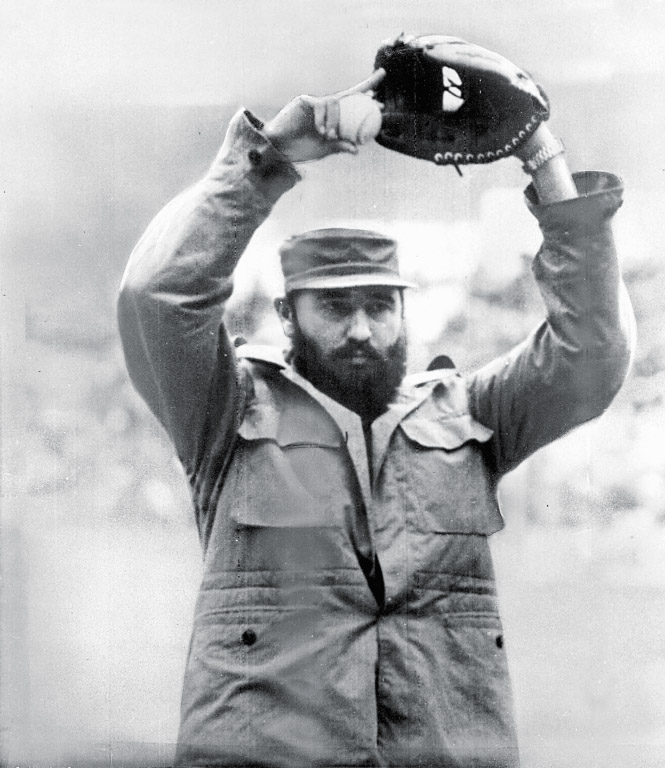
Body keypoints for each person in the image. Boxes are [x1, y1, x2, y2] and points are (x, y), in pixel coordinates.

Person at [118, 65, 633, 768]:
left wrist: (543, 159)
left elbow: (593, 354)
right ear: (285, 315)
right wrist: (268, 156)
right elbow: (157, 296)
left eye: (378, 306)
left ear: (402, 312)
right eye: (334, 307)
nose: (361, 330)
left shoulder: (473, 415)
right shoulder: (224, 415)